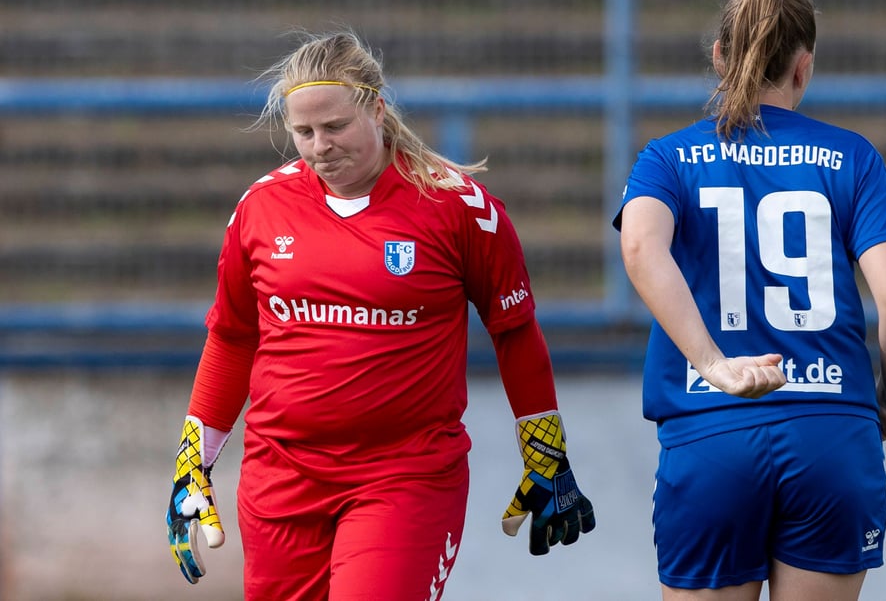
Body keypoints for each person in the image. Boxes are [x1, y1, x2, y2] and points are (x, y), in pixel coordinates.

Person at [165, 29, 595, 600]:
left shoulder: (459, 208)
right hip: (279, 480)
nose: (320, 146)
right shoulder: (261, 208)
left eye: (335, 126)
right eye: (304, 132)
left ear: (376, 107)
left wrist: (544, 451)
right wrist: (193, 461)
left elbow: (514, 333)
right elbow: (233, 337)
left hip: (405, 479)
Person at [615, 0, 886, 601]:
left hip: (712, 430)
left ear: (719, 57)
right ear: (804, 67)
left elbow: (640, 247)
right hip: (832, 433)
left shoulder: (668, 158)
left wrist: (713, 365)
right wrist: (884, 402)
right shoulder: (853, 157)